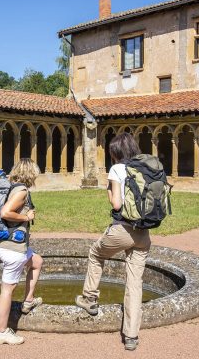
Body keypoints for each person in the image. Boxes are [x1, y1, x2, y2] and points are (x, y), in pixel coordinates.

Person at [75, 133, 151, 351]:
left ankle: (89, 298)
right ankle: (131, 336)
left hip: (123, 229)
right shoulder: (145, 167)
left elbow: (117, 204)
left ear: (115, 152)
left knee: (96, 254)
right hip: (144, 234)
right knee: (135, 283)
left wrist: (109, 192)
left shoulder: (117, 169)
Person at [0, 158, 44, 345]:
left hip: (9, 244)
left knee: (37, 262)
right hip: (13, 249)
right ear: (30, 173)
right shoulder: (21, 190)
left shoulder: (11, 186)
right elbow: (6, 213)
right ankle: (2, 332)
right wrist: (26, 216)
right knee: (7, 290)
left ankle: (28, 301)